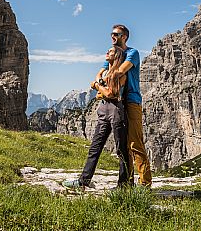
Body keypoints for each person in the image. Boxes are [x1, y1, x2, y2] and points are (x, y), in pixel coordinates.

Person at [63, 45, 130, 190]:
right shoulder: (107, 73)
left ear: (117, 56)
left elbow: (111, 94)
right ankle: (83, 181)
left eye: (111, 52)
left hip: (116, 111)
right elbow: (102, 94)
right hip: (103, 110)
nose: (107, 52)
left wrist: (97, 86)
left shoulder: (120, 74)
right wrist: (101, 87)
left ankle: (124, 185)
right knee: (95, 147)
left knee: (121, 149)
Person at [96, 24, 152, 187]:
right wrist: (102, 80)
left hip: (132, 101)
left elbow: (119, 71)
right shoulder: (114, 55)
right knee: (124, 144)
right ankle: (127, 183)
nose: (112, 37)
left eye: (116, 34)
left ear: (124, 37)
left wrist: (99, 86)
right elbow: (100, 73)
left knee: (135, 143)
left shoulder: (132, 53)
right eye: (111, 34)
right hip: (118, 103)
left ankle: (145, 184)